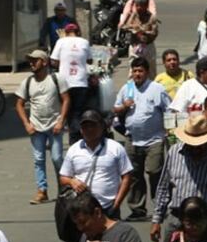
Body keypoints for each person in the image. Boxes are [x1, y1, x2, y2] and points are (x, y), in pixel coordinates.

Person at [151, 114, 207, 242]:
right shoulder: (174, 153)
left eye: (200, 144)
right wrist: (157, 220)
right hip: (176, 219)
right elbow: (164, 188)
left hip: (206, 222)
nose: (195, 148)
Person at [112, 58, 171, 222]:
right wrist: (124, 106)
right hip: (132, 139)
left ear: (147, 72)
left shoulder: (157, 89)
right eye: (135, 71)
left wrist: (169, 132)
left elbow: (169, 110)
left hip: (155, 140)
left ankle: (160, 206)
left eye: (140, 71)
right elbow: (115, 109)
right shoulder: (127, 88)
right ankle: (138, 209)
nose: (137, 74)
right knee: (133, 175)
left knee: (154, 172)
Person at [15, 49, 70, 205]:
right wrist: (27, 123)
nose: (32, 63)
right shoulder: (27, 82)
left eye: (35, 60)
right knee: (39, 159)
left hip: (54, 126)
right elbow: (19, 104)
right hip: (36, 128)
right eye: (30, 61)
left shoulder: (56, 78)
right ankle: (42, 190)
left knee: (57, 158)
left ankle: (63, 189)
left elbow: (66, 99)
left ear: (44, 62)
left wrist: (61, 121)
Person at [59, 110, 132, 219]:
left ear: (102, 127)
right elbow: (63, 177)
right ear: (80, 130)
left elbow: (127, 177)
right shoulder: (73, 150)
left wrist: (116, 204)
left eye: (92, 126)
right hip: (82, 209)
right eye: (85, 127)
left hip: (108, 208)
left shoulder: (115, 148)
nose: (89, 130)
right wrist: (72, 182)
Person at [49, 22, 90, 142]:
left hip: (64, 83)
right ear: (78, 32)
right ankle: (75, 140)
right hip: (81, 82)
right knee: (76, 113)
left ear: (66, 33)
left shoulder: (61, 41)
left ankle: (54, 139)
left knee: (62, 112)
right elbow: (90, 60)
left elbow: (53, 61)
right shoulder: (84, 42)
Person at [120, 0, 160, 75]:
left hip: (148, 46)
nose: (139, 8)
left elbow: (154, 32)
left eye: (141, 6)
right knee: (133, 70)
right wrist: (132, 29)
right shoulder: (134, 15)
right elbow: (125, 26)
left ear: (146, 6)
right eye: (137, 5)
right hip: (135, 45)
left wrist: (144, 32)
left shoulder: (151, 17)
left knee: (150, 70)